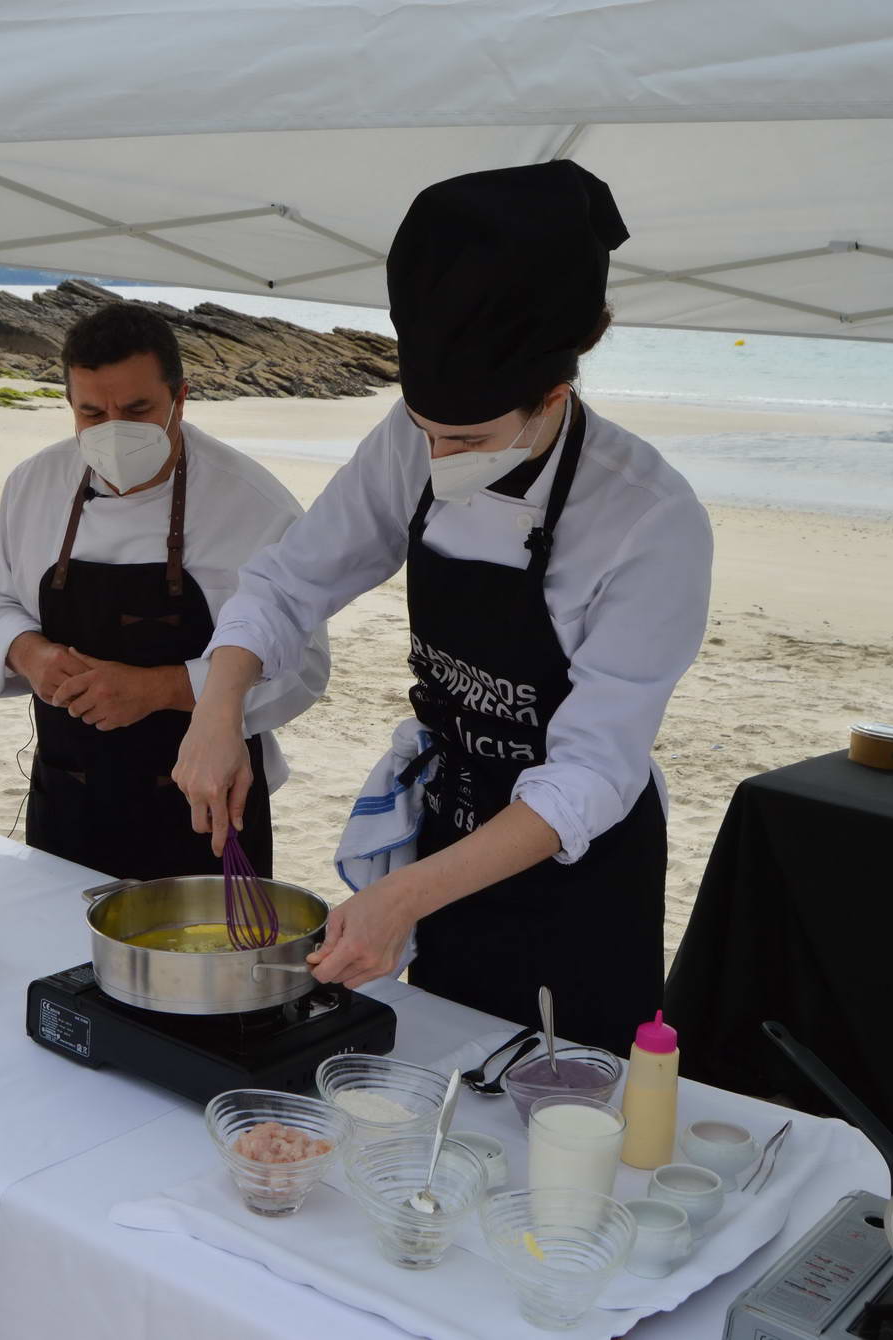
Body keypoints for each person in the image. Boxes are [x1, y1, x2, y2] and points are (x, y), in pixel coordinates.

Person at [173, 162, 713, 1051]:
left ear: (555, 394)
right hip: (449, 816)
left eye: (465, 440)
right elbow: (287, 581)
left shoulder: (650, 523)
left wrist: (406, 896)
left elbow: (591, 774)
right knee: (437, 1073)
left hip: (577, 867)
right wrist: (219, 707)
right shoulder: (409, 440)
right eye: (423, 428)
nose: (436, 455)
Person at [0, 303, 329, 879]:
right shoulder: (34, 484)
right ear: (70, 406)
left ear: (180, 399)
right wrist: (28, 653)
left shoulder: (253, 505)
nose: (114, 430)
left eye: (137, 409)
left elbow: (304, 666)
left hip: (202, 813)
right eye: (92, 413)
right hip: (66, 795)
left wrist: (159, 689)